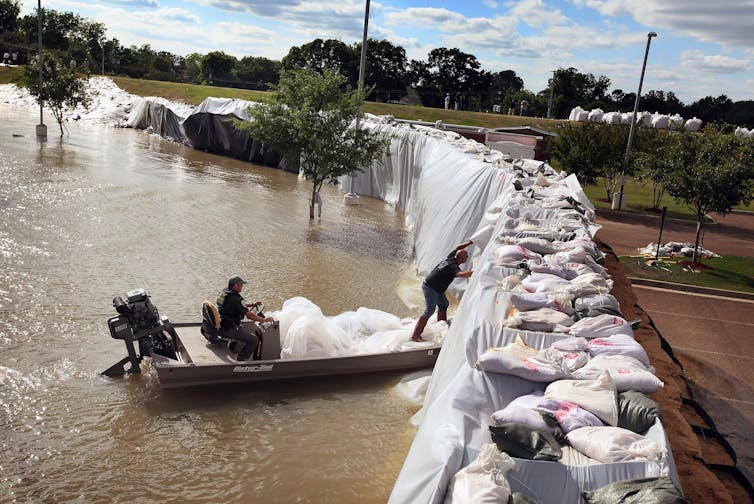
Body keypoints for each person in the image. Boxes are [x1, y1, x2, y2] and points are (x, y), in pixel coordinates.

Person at [411, 240, 474, 342]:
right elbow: (462, 274)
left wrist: (470, 242)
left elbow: (457, 247)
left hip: (438, 288)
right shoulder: (453, 266)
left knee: (444, 305)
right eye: (466, 257)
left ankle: (441, 325)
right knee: (429, 310)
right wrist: (476, 272)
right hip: (431, 287)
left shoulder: (451, 257)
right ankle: (416, 334)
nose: (467, 258)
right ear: (461, 259)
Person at [217, 275, 274, 361]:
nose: (242, 287)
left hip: (222, 326)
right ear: (235, 285)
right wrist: (264, 320)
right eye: (241, 285)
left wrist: (252, 304)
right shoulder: (235, 298)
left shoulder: (224, 294)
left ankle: (232, 350)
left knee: (241, 329)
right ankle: (241, 361)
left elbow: (234, 306)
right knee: (254, 340)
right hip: (230, 329)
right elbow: (249, 315)